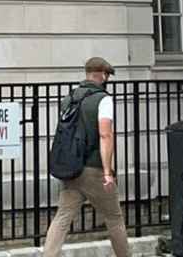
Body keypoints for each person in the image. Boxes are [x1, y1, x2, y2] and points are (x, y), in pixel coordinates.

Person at [42, 56, 129, 257]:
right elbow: (105, 135)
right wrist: (107, 171)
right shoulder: (103, 99)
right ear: (101, 74)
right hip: (94, 169)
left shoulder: (70, 98)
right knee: (114, 219)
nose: (107, 79)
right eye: (107, 75)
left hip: (72, 168)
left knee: (62, 217)